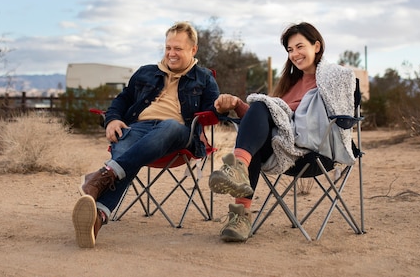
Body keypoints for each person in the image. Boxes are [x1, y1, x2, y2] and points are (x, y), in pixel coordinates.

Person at [72, 21, 220, 248]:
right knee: (126, 141)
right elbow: (122, 100)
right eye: (168, 47)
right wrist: (112, 119)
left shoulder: (204, 78)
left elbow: (213, 112)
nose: (171, 53)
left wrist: (223, 106)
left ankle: (103, 175)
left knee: (168, 126)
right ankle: (97, 217)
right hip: (139, 128)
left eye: (178, 49)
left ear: (193, 50)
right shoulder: (146, 72)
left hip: (179, 134)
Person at [208, 22, 357, 242]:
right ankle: (240, 216)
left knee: (260, 109)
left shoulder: (332, 79)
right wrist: (238, 104)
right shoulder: (290, 84)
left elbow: (341, 112)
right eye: (289, 50)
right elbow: (266, 121)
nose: (294, 54)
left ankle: (238, 171)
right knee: (257, 121)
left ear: (316, 46)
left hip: (316, 152)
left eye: (299, 47)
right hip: (283, 146)